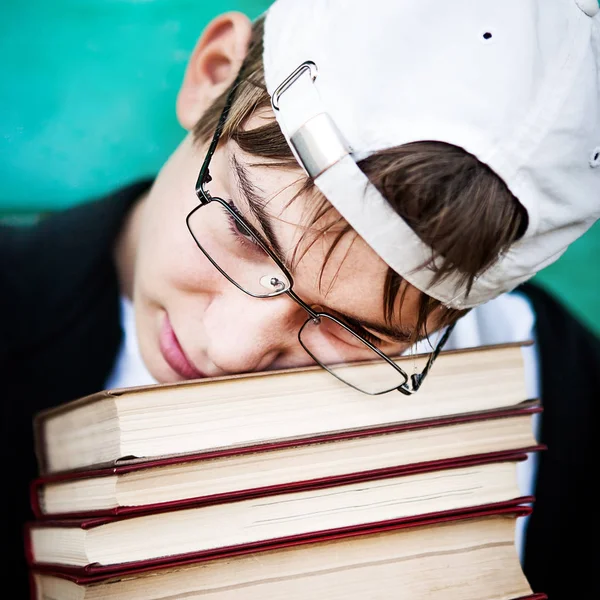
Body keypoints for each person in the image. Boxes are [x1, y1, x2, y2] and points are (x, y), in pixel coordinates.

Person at [1, 0, 598, 597]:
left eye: (356, 331)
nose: (231, 351)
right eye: (243, 230)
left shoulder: (568, 406)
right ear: (213, 74)